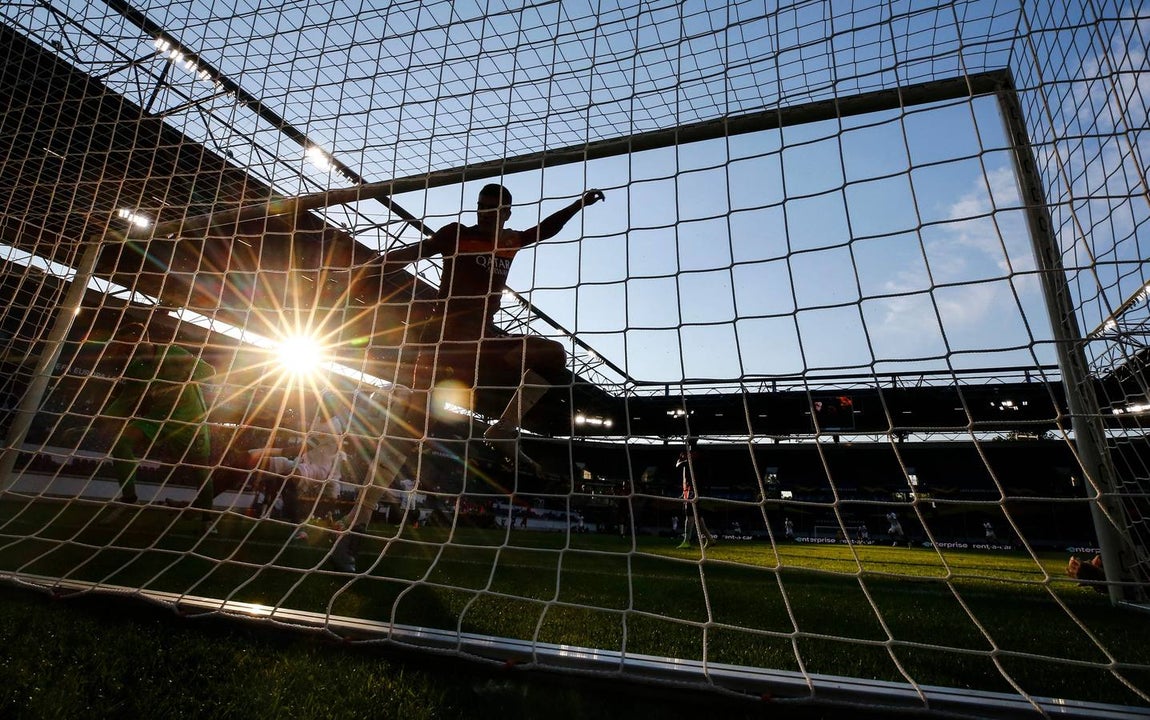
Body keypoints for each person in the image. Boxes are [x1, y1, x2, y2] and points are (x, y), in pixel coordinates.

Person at [331, 185, 605, 572]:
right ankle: (353, 530)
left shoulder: (511, 241)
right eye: (482, 207)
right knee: (407, 435)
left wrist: (577, 203)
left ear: (507, 213)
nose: (486, 213)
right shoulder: (457, 234)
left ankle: (504, 429)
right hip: (443, 340)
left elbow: (544, 230)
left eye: (495, 208)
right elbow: (410, 254)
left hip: (483, 337)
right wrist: (364, 270)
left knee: (552, 354)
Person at [97, 322, 217, 532]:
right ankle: (129, 499)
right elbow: (126, 399)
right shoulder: (137, 368)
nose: (124, 348)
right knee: (122, 442)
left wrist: (188, 376)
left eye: (126, 342)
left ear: (139, 338)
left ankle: (208, 518)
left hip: (190, 419)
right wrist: (103, 419)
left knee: (200, 469)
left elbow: (209, 370)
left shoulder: (172, 352)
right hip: (159, 417)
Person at [246, 392, 348, 541]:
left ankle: (296, 526)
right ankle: (275, 507)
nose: (320, 406)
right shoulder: (318, 419)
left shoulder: (333, 425)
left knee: (288, 479)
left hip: (321, 470)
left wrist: (262, 451)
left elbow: (301, 448)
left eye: (324, 404)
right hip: (305, 463)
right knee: (272, 470)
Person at [676, 438, 715, 549]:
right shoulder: (686, 453)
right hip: (687, 489)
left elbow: (690, 465)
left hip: (695, 488)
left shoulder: (699, 454)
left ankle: (686, 541)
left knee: (690, 515)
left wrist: (684, 460)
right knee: (698, 516)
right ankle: (710, 539)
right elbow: (678, 465)